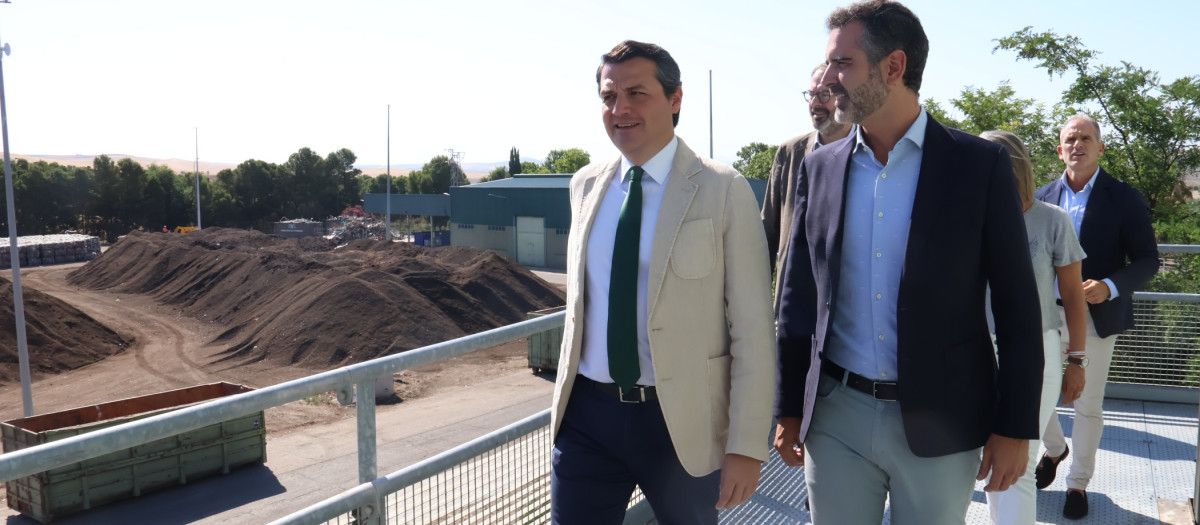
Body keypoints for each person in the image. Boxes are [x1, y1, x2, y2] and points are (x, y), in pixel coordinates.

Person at [772, 1, 1046, 523]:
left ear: (893, 68)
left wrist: (1014, 427)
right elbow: (796, 298)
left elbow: (1016, 306)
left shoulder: (978, 165)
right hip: (835, 414)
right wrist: (787, 407)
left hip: (944, 418)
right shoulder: (819, 168)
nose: (828, 79)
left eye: (843, 63)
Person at [549, 40, 775, 525]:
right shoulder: (585, 186)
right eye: (609, 97)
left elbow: (754, 329)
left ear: (675, 99)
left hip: (683, 425)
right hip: (588, 416)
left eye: (637, 93)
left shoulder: (723, 188)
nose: (620, 109)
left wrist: (747, 446)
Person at [1033, 113, 1159, 519]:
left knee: (1087, 403)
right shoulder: (1041, 196)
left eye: (1086, 137)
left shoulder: (1123, 197)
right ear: (1059, 149)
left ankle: (1078, 484)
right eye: (1070, 138)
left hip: (1096, 319)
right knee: (1034, 392)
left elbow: (1147, 260)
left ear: (1100, 147)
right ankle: (1055, 449)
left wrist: (1110, 285)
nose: (1077, 144)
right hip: (1044, 319)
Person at [980, 130, 1088, 525]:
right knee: (976, 459)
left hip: (1036, 350)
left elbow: (1073, 299)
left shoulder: (1053, 221)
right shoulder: (968, 217)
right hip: (972, 348)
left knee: (1018, 465)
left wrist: (1077, 360)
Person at [762, 63, 854, 309]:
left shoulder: (868, 152)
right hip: (793, 301)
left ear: (844, 96)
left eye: (824, 94)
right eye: (811, 95)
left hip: (847, 304)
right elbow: (767, 233)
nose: (815, 104)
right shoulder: (790, 152)